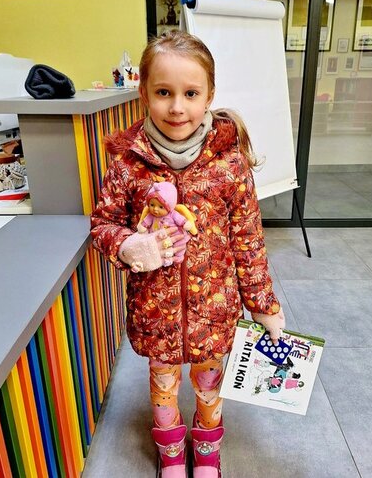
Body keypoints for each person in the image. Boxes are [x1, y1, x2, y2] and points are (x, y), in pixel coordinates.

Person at [90, 30, 285, 478]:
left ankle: (208, 452)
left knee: (209, 386)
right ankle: (172, 454)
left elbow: (248, 241)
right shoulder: (128, 164)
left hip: (213, 309)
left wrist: (263, 305)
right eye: (164, 92)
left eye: (191, 94)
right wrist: (128, 244)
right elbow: (102, 224)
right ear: (144, 93)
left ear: (209, 95)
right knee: (163, 386)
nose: (177, 107)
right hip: (156, 310)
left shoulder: (228, 165)